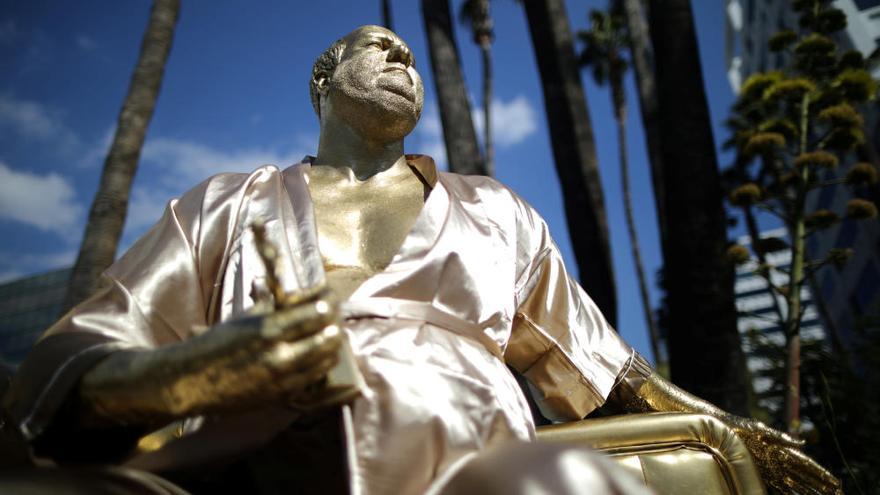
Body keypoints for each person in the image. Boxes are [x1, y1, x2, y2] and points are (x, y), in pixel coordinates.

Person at [4, 25, 839, 495]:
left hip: (471, 472)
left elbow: (611, 371)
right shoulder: (224, 204)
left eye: (411, 54)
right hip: (232, 476)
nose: (405, 58)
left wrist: (743, 433)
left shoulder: (494, 210)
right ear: (323, 84)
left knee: (568, 487)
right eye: (379, 47)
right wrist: (195, 374)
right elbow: (61, 369)